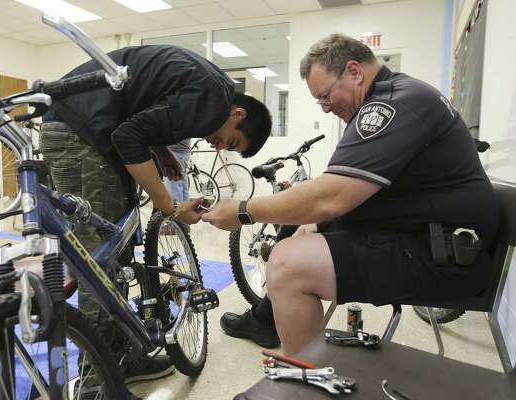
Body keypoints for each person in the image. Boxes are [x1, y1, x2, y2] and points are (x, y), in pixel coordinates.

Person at [203, 33, 498, 355]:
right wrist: (316, 222)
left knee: (288, 263)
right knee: (298, 227)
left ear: (354, 72)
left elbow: (332, 196)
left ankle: (302, 379)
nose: (326, 109)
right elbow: (352, 190)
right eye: (320, 103)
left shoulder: (392, 105)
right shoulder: (395, 97)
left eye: (326, 97)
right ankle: (268, 323)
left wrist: (244, 210)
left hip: (444, 257)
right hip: (433, 240)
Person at [40, 44, 272, 394]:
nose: (220, 146)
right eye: (232, 141)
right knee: (99, 260)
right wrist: (170, 207)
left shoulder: (212, 86)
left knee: (115, 251)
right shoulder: (211, 102)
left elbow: (142, 109)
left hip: (81, 127)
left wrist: (160, 151)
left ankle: (124, 357)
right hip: (80, 134)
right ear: (237, 113)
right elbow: (127, 135)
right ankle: (94, 381)